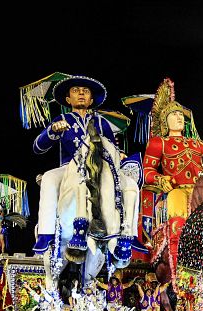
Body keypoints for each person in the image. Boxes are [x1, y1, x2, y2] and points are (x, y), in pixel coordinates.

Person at [32, 74, 138, 259]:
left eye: (85, 91)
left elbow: (113, 147)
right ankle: (45, 233)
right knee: (48, 178)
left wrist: (119, 154)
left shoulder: (101, 122)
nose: (81, 93)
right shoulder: (62, 118)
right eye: (75, 90)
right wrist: (52, 130)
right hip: (69, 167)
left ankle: (130, 234)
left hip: (101, 168)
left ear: (91, 100)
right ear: (68, 99)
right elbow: (37, 147)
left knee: (132, 185)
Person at [142, 78, 203, 279]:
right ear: (165, 120)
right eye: (174, 114)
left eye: (181, 114)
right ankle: (177, 263)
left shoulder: (198, 144)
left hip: (201, 189)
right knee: (177, 203)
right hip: (176, 190)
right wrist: (161, 180)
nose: (179, 117)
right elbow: (147, 171)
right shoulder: (158, 143)